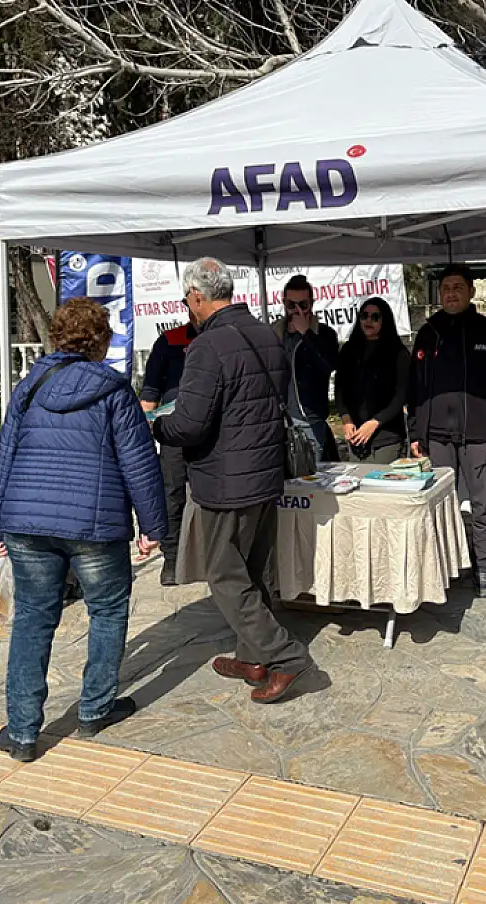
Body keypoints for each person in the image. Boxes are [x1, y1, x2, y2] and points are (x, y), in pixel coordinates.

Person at [0, 298, 165, 763]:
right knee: (106, 611)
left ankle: (23, 733)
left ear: (57, 339)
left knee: (33, 619)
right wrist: (153, 526)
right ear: (102, 341)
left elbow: (2, 461)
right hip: (95, 526)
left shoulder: (29, 387)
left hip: (28, 524)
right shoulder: (115, 390)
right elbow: (140, 463)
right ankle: (94, 709)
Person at [155, 258, 319, 703]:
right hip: (265, 474)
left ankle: (286, 655)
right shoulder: (267, 334)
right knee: (252, 571)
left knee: (225, 576)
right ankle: (252, 656)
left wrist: (157, 427)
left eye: (187, 299)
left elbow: (189, 425)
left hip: (226, 481)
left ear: (196, 297)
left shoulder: (208, 347)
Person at [407, 263, 486, 598]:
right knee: (442, 507)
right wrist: (415, 433)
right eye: (445, 288)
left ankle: (485, 568)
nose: (451, 293)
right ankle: (447, 566)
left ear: (471, 291)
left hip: (479, 436)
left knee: (482, 506)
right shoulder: (428, 332)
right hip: (436, 437)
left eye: (457, 287)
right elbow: (416, 387)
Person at [138, 313, 196, 585]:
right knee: (172, 494)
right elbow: (150, 393)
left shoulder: (222, 338)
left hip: (216, 435)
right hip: (174, 435)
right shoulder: (169, 341)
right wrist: (140, 436)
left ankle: (210, 555)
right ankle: (172, 558)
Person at [335, 297, 410, 464]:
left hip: (386, 438)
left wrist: (375, 422)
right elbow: (340, 389)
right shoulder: (349, 350)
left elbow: (400, 397)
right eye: (364, 316)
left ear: (385, 320)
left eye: (375, 317)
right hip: (356, 439)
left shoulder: (398, 353)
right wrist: (346, 419)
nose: (369, 321)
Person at [281, 274, 340, 463]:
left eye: (303, 305)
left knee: (311, 480)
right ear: (283, 303)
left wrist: (306, 333)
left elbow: (327, 367)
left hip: (309, 419)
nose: (297, 310)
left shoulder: (324, 334)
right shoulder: (274, 332)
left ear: (312, 304)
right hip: (280, 420)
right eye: (291, 305)